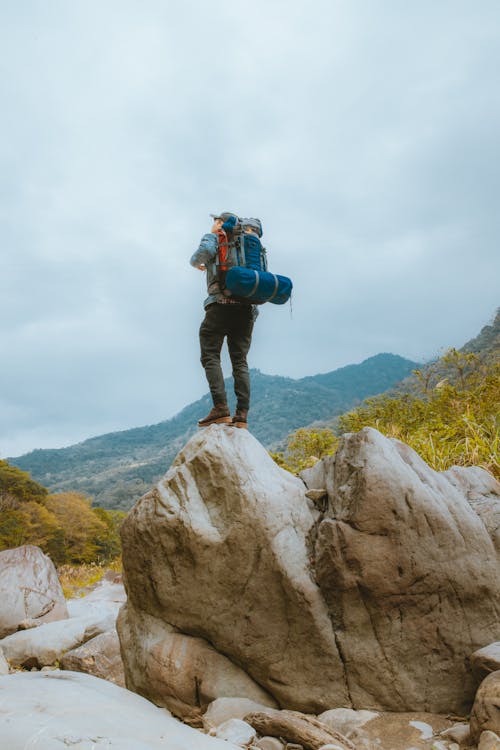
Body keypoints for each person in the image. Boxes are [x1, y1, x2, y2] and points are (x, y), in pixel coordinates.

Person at [190, 212, 259, 429]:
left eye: (215, 222)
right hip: (247, 309)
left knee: (210, 355)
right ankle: (242, 415)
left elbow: (202, 254)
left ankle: (220, 408)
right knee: (240, 361)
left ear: (220, 222)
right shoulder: (249, 245)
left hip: (219, 306)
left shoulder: (217, 237)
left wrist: (195, 263)